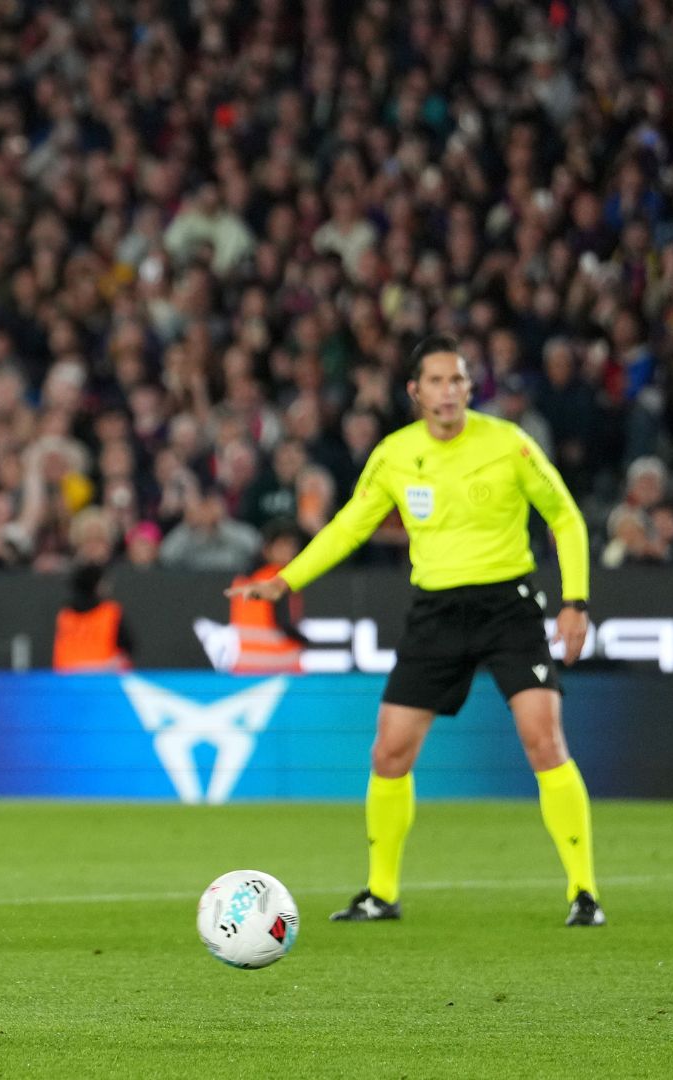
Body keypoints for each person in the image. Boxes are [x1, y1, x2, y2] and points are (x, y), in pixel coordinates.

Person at [228, 334, 603, 927]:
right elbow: (351, 525)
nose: (448, 391)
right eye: (436, 381)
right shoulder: (395, 454)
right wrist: (287, 579)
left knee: (543, 739)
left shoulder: (509, 444)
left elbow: (565, 517)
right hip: (435, 612)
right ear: (414, 391)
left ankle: (583, 891)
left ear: (468, 388)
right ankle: (381, 892)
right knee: (390, 751)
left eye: (457, 380)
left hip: (509, 606)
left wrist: (575, 600)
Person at [226, 521, 308, 674]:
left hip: (246, 668)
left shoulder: (244, 580)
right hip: (281, 668)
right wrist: (304, 642)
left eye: (292, 546)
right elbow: (284, 623)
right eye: (282, 546)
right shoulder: (281, 579)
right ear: (267, 550)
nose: (288, 552)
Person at [53, 562, 134, 672]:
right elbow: (128, 647)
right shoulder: (110, 612)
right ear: (98, 586)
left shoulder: (64, 614)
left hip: (65, 677)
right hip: (100, 677)